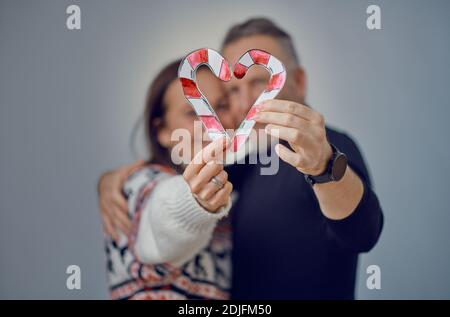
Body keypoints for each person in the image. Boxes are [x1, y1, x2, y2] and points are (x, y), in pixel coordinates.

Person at [98, 18, 384, 299]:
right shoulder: (239, 163)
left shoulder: (332, 146)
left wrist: (324, 167)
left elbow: (362, 231)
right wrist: (112, 181)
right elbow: (167, 207)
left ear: (299, 81)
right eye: (233, 91)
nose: (246, 101)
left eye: (260, 82)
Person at [102, 60, 235, 299]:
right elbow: (162, 214)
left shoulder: (233, 190)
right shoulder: (141, 184)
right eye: (192, 112)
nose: (212, 123)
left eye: (221, 106)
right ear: (162, 131)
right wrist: (197, 201)